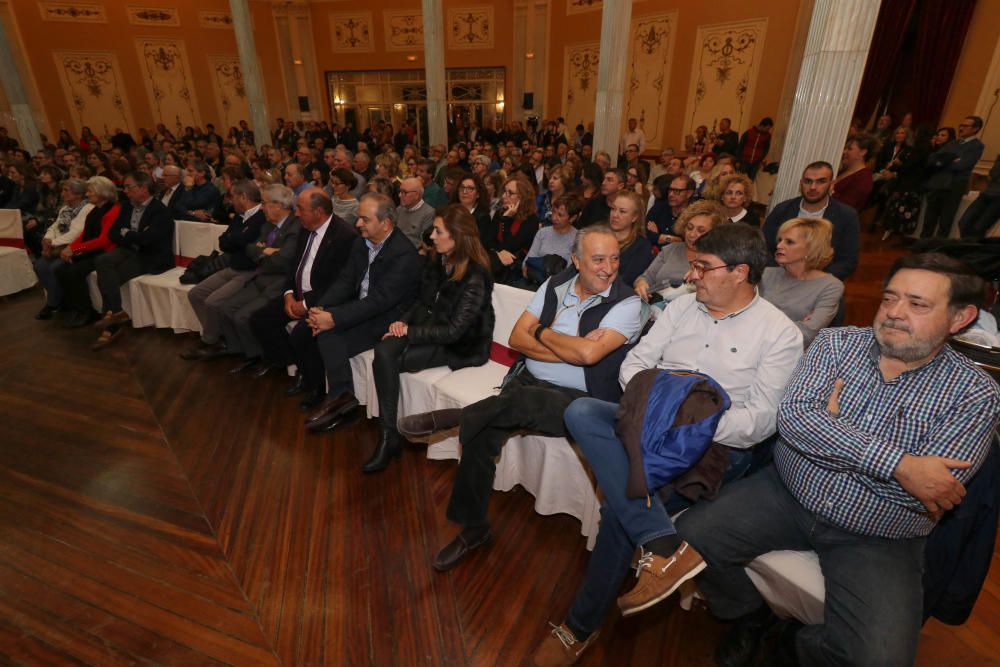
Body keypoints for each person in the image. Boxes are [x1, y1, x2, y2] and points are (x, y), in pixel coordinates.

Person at [675, 253, 1000, 667]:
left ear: (960, 317)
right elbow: (793, 419)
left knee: (880, 660)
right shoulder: (836, 343)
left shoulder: (975, 394)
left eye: (918, 304)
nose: (895, 313)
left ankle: (801, 644)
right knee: (688, 537)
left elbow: (924, 496)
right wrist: (902, 465)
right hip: (785, 496)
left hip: (881, 536)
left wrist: (829, 434)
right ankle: (748, 613)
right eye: (890, 298)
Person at [533, 225, 802, 665]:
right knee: (581, 412)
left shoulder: (779, 334)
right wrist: (658, 406)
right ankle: (662, 544)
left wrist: (689, 425)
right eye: (693, 264)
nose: (691, 276)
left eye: (702, 267)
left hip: (715, 447)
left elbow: (758, 423)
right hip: (649, 421)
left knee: (621, 509)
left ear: (740, 272)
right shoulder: (681, 309)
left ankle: (579, 627)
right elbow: (636, 363)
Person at [398, 225, 645, 572]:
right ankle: (474, 528)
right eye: (599, 260)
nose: (609, 268)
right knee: (483, 435)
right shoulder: (555, 284)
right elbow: (517, 337)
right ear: (576, 260)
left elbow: (589, 357)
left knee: (526, 404)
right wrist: (569, 346)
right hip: (526, 378)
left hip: (582, 400)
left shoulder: (628, 304)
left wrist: (543, 333)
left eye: (615, 258)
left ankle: (460, 416)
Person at [369, 205, 495, 472]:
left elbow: (454, 332)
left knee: (390, 358)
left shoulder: (475, 275)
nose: (432, 236)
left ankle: (388, 437)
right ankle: (389, 434)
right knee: (383, 352)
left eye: (438, 231)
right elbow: (422, 302)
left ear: (457, 236)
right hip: (431, 329)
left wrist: (409, 332)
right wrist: (402, 321)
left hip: (461, 345)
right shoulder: (438, 259)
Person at [299, 192, 424, 432]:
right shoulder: (361, 243)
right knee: (314, 328)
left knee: (328, 332)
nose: (358, 224)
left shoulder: (404, 255)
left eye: (364, 220)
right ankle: (337, 396)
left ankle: (340, 398)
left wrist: (333, 318)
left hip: (389, 318)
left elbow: (380, 302)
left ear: (385, 223)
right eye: (359, 218)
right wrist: (321, 308)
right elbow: (345, 281)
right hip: (364, 307)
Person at [248, 189, 358, 403]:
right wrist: (289, 295)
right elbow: (294, 267)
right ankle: (296, 365)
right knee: (260, 320)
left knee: (302, 335)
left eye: (301, 209)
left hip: (325, 301)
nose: (296, 213)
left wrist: (306, 304)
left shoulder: (345, 237)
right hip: (297, 295)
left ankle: (315, 387)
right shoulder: (306, 228)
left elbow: (339, 284)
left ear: (318, 211)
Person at [216, 184, 302, 375]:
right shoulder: (267, 225)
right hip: (262, 277)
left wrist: (262, 252)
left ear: (279, 205)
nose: (262, 208)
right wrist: (266, 252)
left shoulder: (295, 227)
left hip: (279, 283)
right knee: (226, 308)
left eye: (264, 203)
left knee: (243, 316)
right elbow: (250, 249)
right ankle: (245, 352)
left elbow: (284, 261)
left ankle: (265, 357)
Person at [180, 180, 267, 361]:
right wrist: (237, 238)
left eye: (232, 196)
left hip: (249, 271)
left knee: (213, 302)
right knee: (196, 294)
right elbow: (223, 242)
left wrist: (235, 238)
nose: (229, 201)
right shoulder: (239, 217)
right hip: (232, 266)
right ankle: (218, 336)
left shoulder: (262, 216)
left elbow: (244, 243)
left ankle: (211, 341)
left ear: (243, 197)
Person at [92, 171, 175, 350]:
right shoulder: (127, 207)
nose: (125, 191)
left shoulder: (160, 211)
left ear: (144, 188)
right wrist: (134, 235)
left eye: (129, 187)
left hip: (151, 256)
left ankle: (111, 324)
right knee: (102, 261)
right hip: (129, 250)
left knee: (107, 276)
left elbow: (147, 240)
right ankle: (117, 313)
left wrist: (128, 233)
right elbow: (113, 234)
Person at [763, 162, 859, 280]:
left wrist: (814, 277)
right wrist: (782, 273)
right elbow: (763, 247)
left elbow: (848, 261)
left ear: (832, 184)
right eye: (808, 181)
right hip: (780, 276)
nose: (813, 187)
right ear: (801, 183)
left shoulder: (846, 215)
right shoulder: (783, 209)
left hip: (821, 280)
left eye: (821, 181)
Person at [760, 217, 845, 347]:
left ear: (811, 248)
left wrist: (760, 325)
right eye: (780, 240)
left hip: (791, 355)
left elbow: (806, 334)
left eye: (789, 242)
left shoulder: (831, 286)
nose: (779, 246)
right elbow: (742, 313)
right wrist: (794, 325)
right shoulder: (766, 274)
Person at [54, 176, 121, 327]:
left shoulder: (113, 210)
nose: (87, 194)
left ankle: (86, 311)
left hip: (105, 253)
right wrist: (70, 248)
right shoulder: (94, 210)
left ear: (101, 192)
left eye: (90, 191)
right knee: (60, 269)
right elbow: (84, 234)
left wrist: (75, 249)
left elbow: (104, 240)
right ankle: (75, 307)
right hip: (92, 251)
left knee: (73, 271)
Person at [634, 199, 724, 302]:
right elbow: (645, 277)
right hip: (656, 308)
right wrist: (641, 284)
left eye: (701, 230)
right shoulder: (671, 249)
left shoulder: (720, 258)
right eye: (689, 228)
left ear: (715, 233)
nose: (692, 234)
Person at [32, 179, 92, 319]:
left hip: (75, 247)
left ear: (78, 194)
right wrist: (47, 240)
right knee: (40, 265)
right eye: (62, 190)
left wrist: (52, 243)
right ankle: (56, 301)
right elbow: (54, 227)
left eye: (66, 190)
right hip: (57, 245)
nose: (62, 193)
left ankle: (59, 303)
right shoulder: (65, 208)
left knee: (55, 267)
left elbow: (76, 232)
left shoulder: (87, 208)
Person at [921, 116, 986, 239]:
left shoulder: (977, 146)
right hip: (938, 183)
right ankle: (921, 246)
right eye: (961, 125)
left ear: (975, 129)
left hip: (954, 187)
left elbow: (962, 165)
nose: (961, 128)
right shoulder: (953, 142)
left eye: (966, 126)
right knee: (929, 218)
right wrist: (949, 160)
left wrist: (943, 161)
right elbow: (931, 159)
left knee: (945, 220)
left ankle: (937, 249)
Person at [484, 174, 539, 284]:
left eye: (510, 193)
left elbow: (510, 247)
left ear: (522, 197)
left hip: (515, 271)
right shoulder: (500, 213)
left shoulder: (531, 220)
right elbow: (488, 242)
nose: (504, 196)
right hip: (497, 263)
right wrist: (499, 253)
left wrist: (506, 219)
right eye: (504, 191)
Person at [523, 193, 581, 285]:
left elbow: (570, 273)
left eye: (560, 215)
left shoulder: (578, 238)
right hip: (535, 281)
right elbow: (527, 263)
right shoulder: (543, 233)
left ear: (572, 218)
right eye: (553, 212)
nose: (554, 217)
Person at [607, 190, 653, 286]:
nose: (615, 215)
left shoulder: (642, 246)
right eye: (613, 209)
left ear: (634, 217)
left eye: (622, 211)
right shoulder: (598, 236)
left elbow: (627, 280)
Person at [646, 175, 695, 248]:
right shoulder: (660, 206)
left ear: (689, 193)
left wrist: (658, 235)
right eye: (670, 190)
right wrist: (671, 239)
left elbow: (685, 244)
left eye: (676, 191)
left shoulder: (694, 214)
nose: (671, 194)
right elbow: (644, 231)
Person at [958, 156, 1000, 238]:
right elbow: (992, 174)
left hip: (998, 198)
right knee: (963, 222)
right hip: (986, 193)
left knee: (979, 228)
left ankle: (973, 248)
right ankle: (966, 246)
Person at [832, 134, 876, 213]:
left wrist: (828, 189)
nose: (844, 151)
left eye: (849, 149)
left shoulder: (864, 179)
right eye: (845, 148)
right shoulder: (843, 169)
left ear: (863, 152)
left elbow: (846, 207)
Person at [396, 176, 436, 249]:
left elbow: (423, 244)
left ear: (417, 195)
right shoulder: (399, 209)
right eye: (400, 191)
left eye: (404, 192)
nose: (399, 195)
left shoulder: (429, 213)